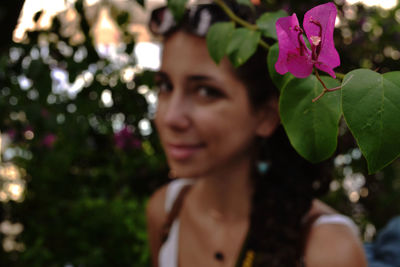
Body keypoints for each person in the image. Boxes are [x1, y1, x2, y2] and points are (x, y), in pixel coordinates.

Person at [146, 2, 367, 266]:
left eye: (206, 91)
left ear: (266, 115)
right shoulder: (166, 211)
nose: (170, 117)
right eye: (165, 86)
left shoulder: (329, 251)